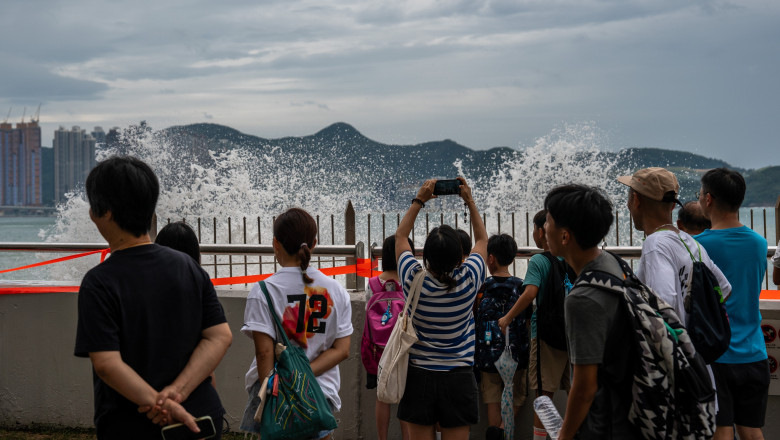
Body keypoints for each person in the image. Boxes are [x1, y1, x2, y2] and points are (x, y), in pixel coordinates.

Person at [74, 156, 232, 439]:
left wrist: (160, 404)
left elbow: (107, 363)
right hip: (203, 418)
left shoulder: (100, 282)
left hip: (134, 426)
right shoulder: (189, 268)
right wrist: (178, 393)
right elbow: (219, 336)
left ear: (105, 212)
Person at [240, 207, 353, 440]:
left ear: (275, 243)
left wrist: (279, 389)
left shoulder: (263, 291)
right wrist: (302, 376)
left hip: (275, 393)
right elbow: (342, 351)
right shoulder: (336, 291)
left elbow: (264, 354)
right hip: (320, 392)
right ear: (313, 243)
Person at [395, 177, 488, 440]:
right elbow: (482, 240)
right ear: (461, 256)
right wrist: (469, 201)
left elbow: (400, 237)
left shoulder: (413, 278)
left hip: (419, 375)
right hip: (459, 376)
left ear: (426, 257)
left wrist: (419, 200)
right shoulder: (470, 279)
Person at [544, 184, 638, 440]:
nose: (544, 228)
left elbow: (585, 386)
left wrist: (564, 435)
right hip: (628, 410)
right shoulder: (611, 263)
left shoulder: (583, 299)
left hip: (605, 424)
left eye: (548, 220)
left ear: (565, 237)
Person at [695, 168, 769, 440]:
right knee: (751, 428)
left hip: (719, 355)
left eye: (700, 194)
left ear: (709, 199)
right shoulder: (759, 243)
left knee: (721, 429)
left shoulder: (698, 246)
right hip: (755, 351)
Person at [619, 167, 731, 322]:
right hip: (695, 344)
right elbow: (725, 290)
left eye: (629, 197)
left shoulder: (655, 244)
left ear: (636, 200)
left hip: (675, 345)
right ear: (672, 206)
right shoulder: (691, 242)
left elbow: (664, 303)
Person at [498, 210, 571, 440]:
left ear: (541, 232)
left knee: (543, 395)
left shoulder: (540, 260)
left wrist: (508, 317)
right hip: (572, 334)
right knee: (574, 390)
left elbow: (530, 293)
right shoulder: (572, 258)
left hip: (545, 335)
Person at [475, 233, 527, 439]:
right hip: (516, 355)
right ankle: (504, 430)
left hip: (487, 355)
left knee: (492, 397)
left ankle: (495, 433)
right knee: (518, 394)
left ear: (490, 258)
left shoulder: (483, 288)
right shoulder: (522, 287)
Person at [366, 235, 413, 440]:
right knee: (406, 397)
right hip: (403, 350)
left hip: (378, 351)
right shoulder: (409, 282)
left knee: (381, 396)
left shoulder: (373, 284)